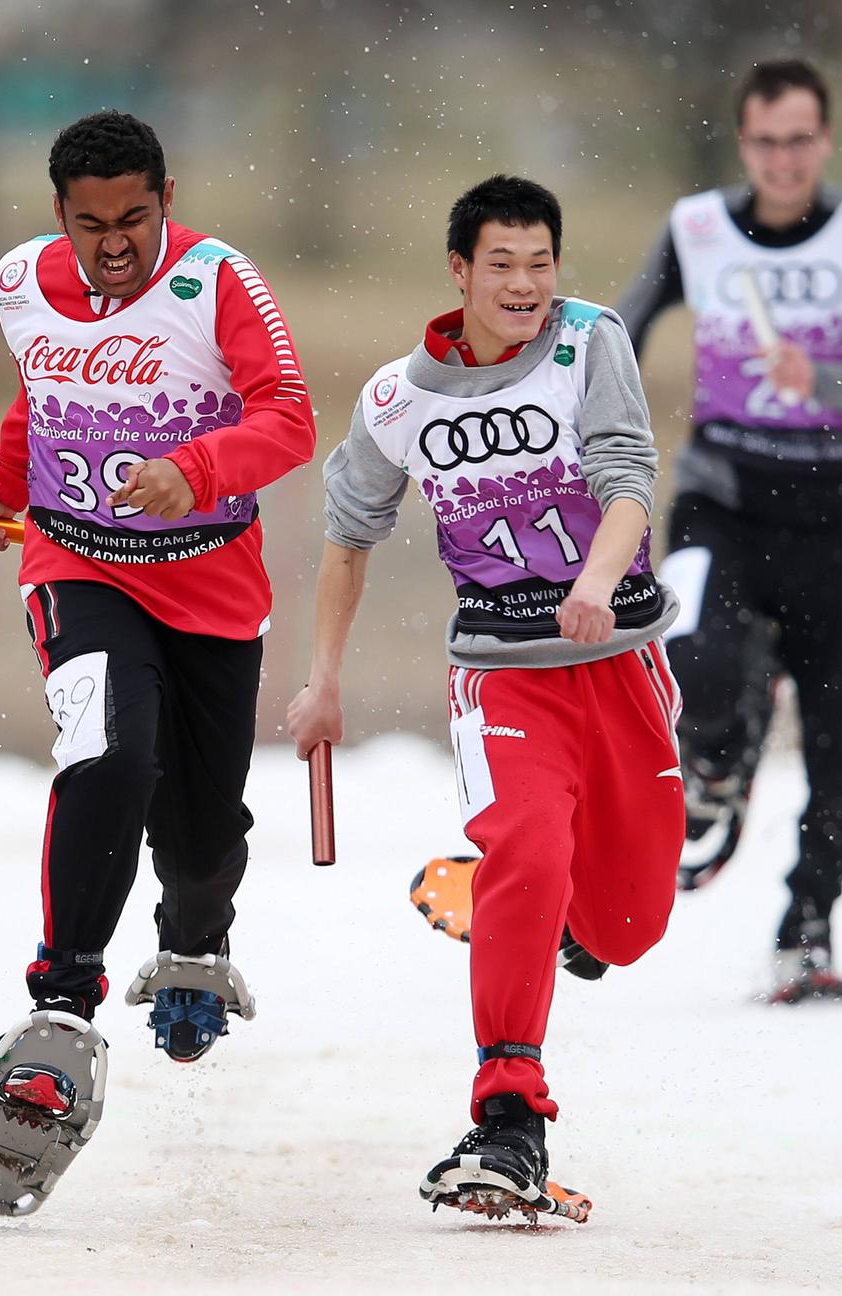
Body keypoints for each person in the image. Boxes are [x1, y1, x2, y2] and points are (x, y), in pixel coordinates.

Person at [287, 175, 684, 1221]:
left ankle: (534, 910)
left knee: (633, 924)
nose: (524, 285)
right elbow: (347, 539)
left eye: (541, 263)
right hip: (503, 668)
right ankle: (509, 1121)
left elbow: (627, 478)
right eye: (501, 264)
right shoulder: (395, 399)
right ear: (459, 270)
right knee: (534, 847)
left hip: (619, 655)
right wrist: (323, 681)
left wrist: (596, 584)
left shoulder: (591, 340)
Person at [0, 110, 316, 1061]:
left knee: (202, 834)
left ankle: (195, 944)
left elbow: (290, 419)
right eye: (93, 224)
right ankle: (62, 996)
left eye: (135, 219)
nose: (116, 245)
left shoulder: (218, 280)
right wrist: (0, 488)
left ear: (167, 199)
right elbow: (41, 391)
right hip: (77, 563)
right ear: (60, 216)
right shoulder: (19, 281)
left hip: (211, 585)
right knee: (108, 757)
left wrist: (192, 471)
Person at [616, 60, 842, 1002]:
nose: (783, 160)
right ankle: (718, 765)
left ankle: (805, 932)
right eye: (765, 141)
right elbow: (618, 330)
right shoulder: (698, 228)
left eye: (799, 140)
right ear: (744, 143)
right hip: (721, 496)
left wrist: (819, 380)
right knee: (692, 657)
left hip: (831, 515)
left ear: (823, 141)